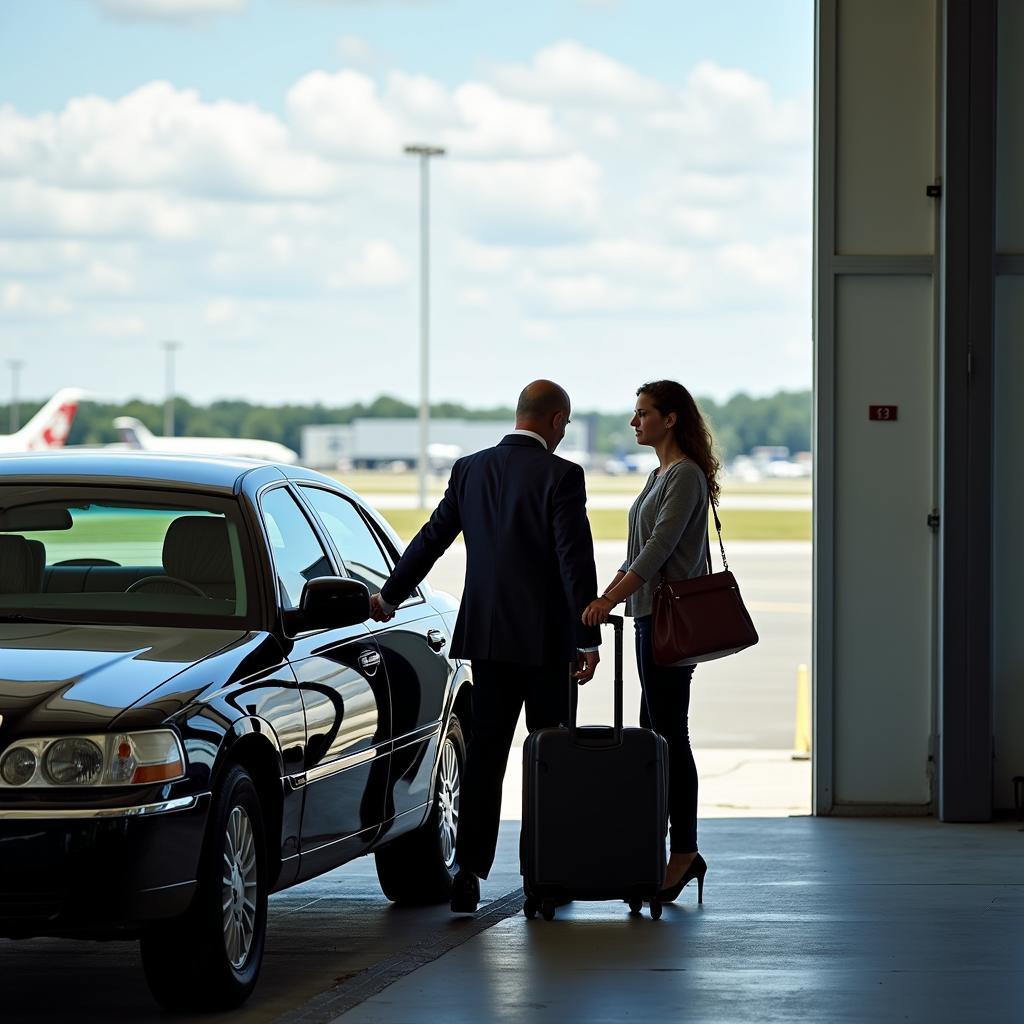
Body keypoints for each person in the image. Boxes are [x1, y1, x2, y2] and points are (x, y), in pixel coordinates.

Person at [370, 379, 601, 914]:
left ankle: (470, 874)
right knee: (549, 757)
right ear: (557, 421)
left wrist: (389, 595)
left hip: (489, 640)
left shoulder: (470, 468)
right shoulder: (562, 476)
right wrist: (585, 637)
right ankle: (544, 878)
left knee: (486, 758)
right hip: (546, 646)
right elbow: (573, 560)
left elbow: (431, 538)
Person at [582, 379, 718, 904]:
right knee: (654, 733)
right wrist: (605, 596)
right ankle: (658, 847)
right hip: (647, 616)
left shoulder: (684, 476)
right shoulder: (659, 473)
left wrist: (610, 600)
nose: (634, 422)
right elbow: (636, 549)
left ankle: (682, 851)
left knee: (668, 735)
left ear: (671, 418)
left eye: (643, 414)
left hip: (667, 621)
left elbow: (658, 550)